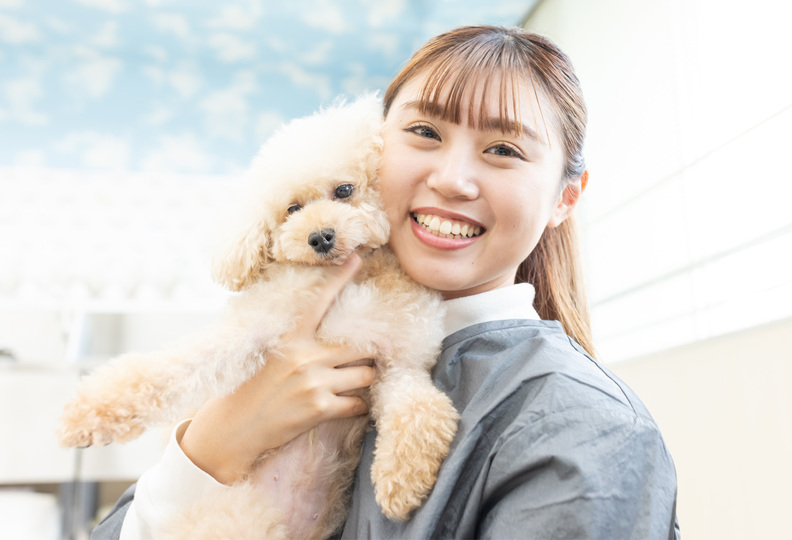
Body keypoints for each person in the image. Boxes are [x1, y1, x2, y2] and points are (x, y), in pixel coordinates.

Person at [93, 25, 679, 539]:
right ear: (374, 152)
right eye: (425, 132)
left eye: (503, 149)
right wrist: (213, 446)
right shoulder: (283, 353)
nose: (452, 180)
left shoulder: (585, 430)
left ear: (564, 197)